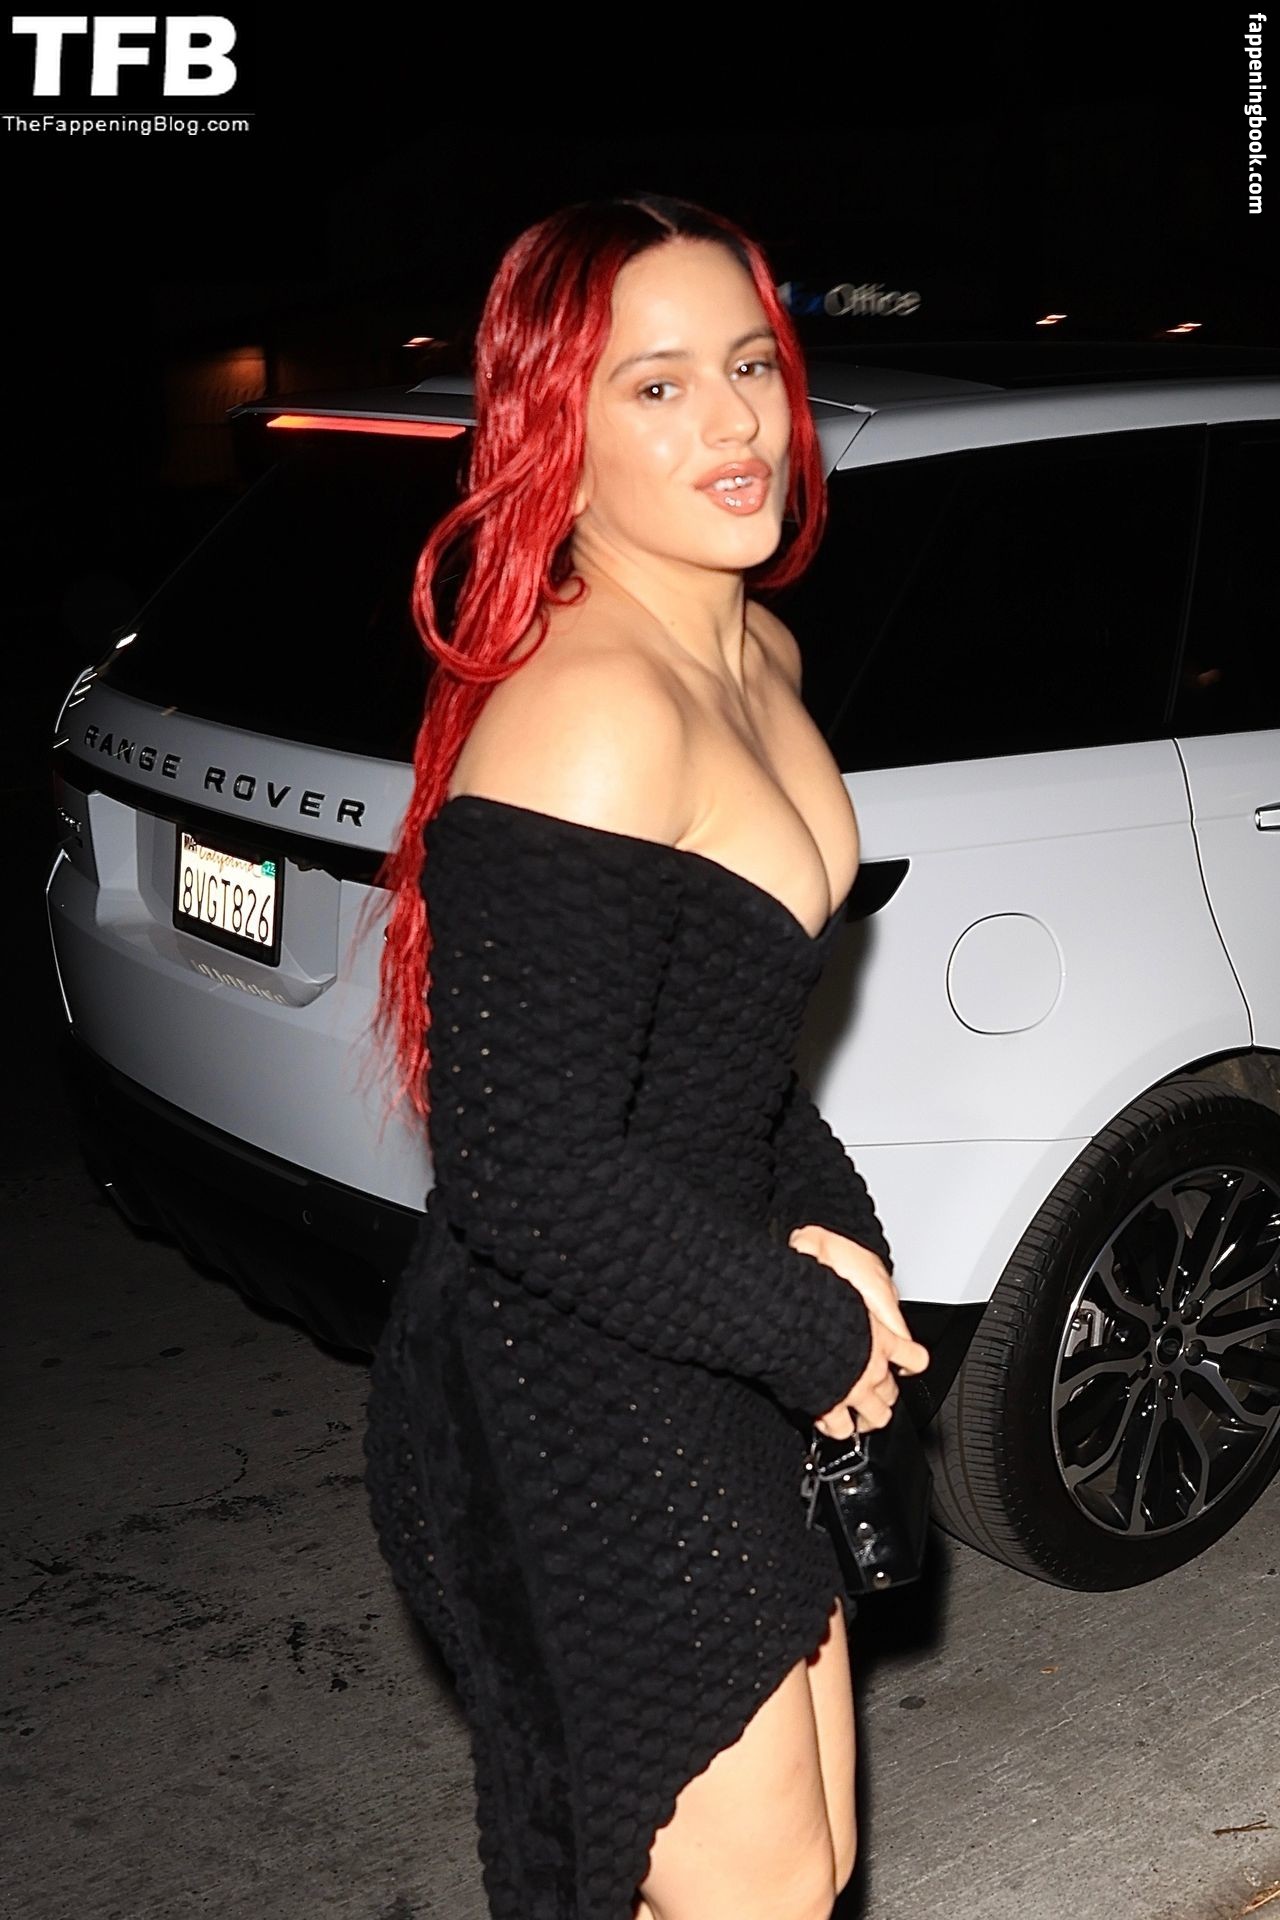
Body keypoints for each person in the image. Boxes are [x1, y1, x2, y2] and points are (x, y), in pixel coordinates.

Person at [362, 191, 930, 1920]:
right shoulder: (591, 710)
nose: (736, 425)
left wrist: (844, 1248)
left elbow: (730, 1053)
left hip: (697, 1304)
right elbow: (525, 1172)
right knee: (753, 1885)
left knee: (813, 1864)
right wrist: (811, 1328)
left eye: (750, 367)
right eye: (659, 387)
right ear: (558, 429)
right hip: (566, 1382)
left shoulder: (757, 649)